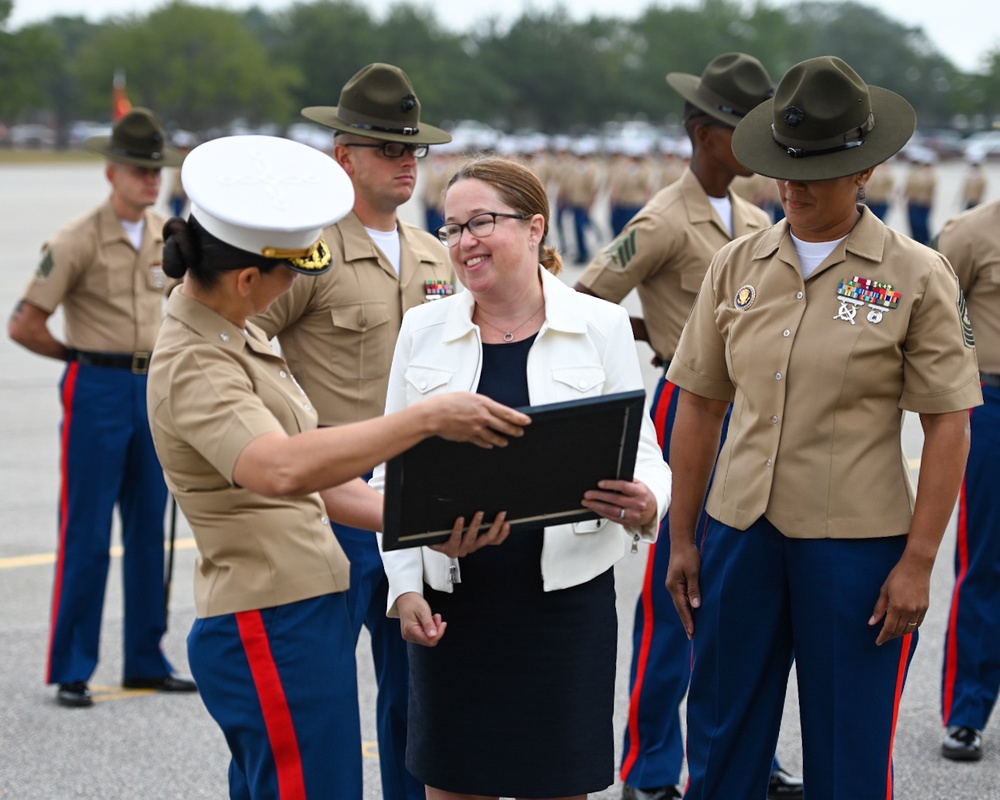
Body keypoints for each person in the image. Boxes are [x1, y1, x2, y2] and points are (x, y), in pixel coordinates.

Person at [146, 134, 530, 799]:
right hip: (267, 616)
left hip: (297, 610)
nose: (296, 284)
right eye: (289, 272)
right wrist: (425, 419)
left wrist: (419, 523)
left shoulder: (234, 337)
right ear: (246, 278)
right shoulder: (196, 362)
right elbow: (281, 470)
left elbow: (319, 484)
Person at [666, 56, 982, 800]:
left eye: (814, 170)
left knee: (849, 746)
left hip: (855, 548)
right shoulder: (737, 263)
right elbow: (701, 404)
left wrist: (919, 561)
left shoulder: (917, 274)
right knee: (720, 735)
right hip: (740, 532)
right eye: (784, 166)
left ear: (864, 170)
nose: (793, 186)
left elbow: (948, 424)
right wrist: (686, 537)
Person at [373, 155, 672, 800]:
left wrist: (647, 502)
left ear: (536, 227)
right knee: (455, 786)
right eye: (451, 229)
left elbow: (641, 451)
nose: (463, 242)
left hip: (564, 606)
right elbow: (388, 476)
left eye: (480, 222)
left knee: (558, 785)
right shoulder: (423, 331)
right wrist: (403, 590)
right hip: (452, 603)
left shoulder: (600, 326)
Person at [576, 52, 801, 800]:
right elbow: (587, 298)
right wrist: (658, 342)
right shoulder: (664, 220)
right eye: (746, 130)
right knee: (679, 589)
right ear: (707, 133)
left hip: (757, 413)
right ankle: (647, 764)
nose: (759, 145)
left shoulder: (753, 215)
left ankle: (747, 751)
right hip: (690, 409)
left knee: (747, 587)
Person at [251, 62, 454, 800]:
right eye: (389, 148)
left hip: (414, 497)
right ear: (345, 158)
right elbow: (244, 349)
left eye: (414, 149)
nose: (407, 162)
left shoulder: (436, 254)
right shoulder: (307, 253)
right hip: (330, 501)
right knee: (321, 701)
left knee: (415, 699)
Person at [7, 107, 196, 708]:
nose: (149, 180)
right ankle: (72, 664)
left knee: (149, 531)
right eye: (139, 169)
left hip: (153, 390)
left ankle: (146, 657)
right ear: (111, 172)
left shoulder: (173, 236)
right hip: (97, 387)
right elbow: (24, 323)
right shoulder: (75, 240)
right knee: (86, 531)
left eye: (156, 170)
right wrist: (78, 357)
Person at [936, 197, 1000, 762]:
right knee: (986, 563)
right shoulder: (974, 232)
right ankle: (966, 713)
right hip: (994, 403)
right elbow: (930, 305)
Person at [904, 149, 936, 245]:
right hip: (913, 202)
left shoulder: (930, 174)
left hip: (923, 202)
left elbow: (930, 188)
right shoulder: (913, 173)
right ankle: (916, 241)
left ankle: (926, 242)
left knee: (922, 225)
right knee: (913, 224)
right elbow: (908, 187)